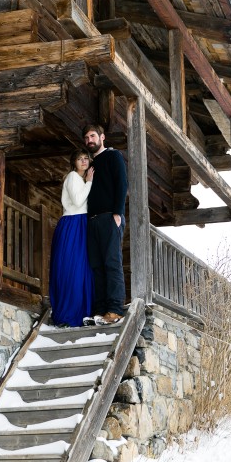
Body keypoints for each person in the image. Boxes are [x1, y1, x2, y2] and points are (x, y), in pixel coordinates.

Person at [82, 124, 127, 325]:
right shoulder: (91, 165)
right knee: (96, 267)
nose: (89, 140)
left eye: (92, 136)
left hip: (110, 218)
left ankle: (115, 309)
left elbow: (122, 183)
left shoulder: (113, 156)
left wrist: (118, 213)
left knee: (112, 264)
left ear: (102, 137)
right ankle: (100, 310)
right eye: (86, 137)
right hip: (92, 221)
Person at [49, 149, 94, 327]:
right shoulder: (73, 177)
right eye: (79, 159)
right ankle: (69, 313)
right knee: (72, 268)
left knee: (82, 268)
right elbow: (77, 201)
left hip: (80, 223)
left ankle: (82, 311)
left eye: (86, 158)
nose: (83, 161)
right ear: (73, 162)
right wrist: (89, 182)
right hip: (73, 223)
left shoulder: (80, 179)